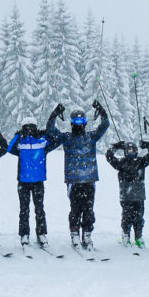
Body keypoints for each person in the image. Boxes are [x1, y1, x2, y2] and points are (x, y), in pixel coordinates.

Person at [46, 100, 109, 250]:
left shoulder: (91, 137)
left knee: (88, 210)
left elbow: (105, 125)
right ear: (71, 122)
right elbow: (50, 130)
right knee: (75, 209)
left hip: (89, 179)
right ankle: (74, 234)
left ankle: (87, 235)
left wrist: (101, 110)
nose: (78, 123)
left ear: (85, 122)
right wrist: (54, 113)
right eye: (75, 120)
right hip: (73, 181)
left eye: (81, 120)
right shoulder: (66, 138)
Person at [7, 117, 61, 249]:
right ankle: (24, 234)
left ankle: (41, 233)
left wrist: (44, 133)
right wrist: (18, 135)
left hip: (38, 181)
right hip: (23, 181)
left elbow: (57, 139)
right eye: (27, 128)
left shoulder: (42, 142)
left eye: (32, 127)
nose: (30, 130)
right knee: (24, 210)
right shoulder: (20, 143)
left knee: (39, 209)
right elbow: (9, 148)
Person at [105, 139, 149, 249]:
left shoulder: (141, 161)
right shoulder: (121, 163)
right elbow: (109, 156)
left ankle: (138, 237)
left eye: (133, 149)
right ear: (125, 151)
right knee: (126, 217)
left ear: (136, 151)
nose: (131, 151)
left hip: (139, 196)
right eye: (128, 150)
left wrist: (148, 145)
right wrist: (116, 146)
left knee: (139, 218)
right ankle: (126, 236)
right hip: (126, 197)